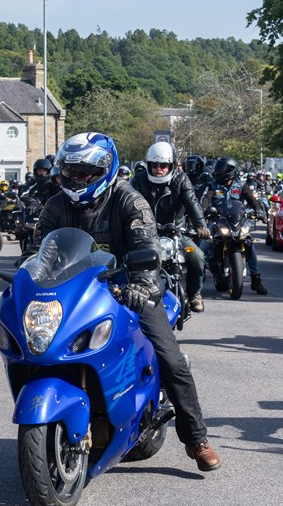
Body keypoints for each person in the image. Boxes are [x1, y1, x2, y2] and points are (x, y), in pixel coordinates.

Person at [37, 133, 220, 471]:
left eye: (86, 172)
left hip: (128, 288)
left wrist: (141, 285)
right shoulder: (56, 206)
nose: (78, 179)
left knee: (171, 359)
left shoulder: (129, 201)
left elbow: (148, 254)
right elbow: (38, 254)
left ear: (106, 170)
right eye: (72, 172)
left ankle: (196, 438)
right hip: (76, 292)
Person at [132, 141, 210, 312]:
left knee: (197, 256)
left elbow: (193, 202)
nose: (158, 168)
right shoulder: (138, 181)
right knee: (128, 258)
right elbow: (128, 204)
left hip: (176, 233)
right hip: (146, 233)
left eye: (163, 165)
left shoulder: (181, 179)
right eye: (154, 165)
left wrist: (201, 225)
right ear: (148, 165)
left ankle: (195, 294)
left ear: (172, 165)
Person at [210, 157, 268, 295]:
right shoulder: (213, 186)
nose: (218, 172)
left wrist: (259, 211)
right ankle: (196, 287)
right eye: (217, 169)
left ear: (230, 171)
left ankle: (256, 279)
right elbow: (205, 200)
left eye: (221, 169)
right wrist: (203, 212)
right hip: (218, 221)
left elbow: (253, 201)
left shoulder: (242, 186)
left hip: (237, 222)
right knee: (203, 247)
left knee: (250, 245)